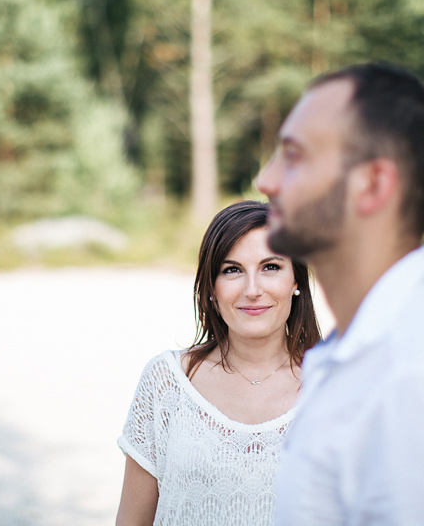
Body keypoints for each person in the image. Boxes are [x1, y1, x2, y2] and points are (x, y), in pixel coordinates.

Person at [256, 62, 424, 525]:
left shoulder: (417, 386)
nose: (267, 181)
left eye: (294, 156)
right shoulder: (353, 356)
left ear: (374, 184)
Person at [116, 200, 322, 526]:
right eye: (232, 270)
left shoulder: (339, 390)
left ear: (296, 280)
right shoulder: (167, 382)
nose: (252, 290)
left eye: (271, 266)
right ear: (211, 288)